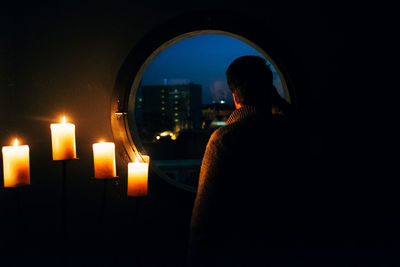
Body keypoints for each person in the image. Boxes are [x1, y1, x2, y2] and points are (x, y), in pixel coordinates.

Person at [189, 56, 302, 266]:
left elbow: (204, 219)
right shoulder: (291, 130)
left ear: (234, 95)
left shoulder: (224, 139)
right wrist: (277, 103)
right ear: (271, 91)